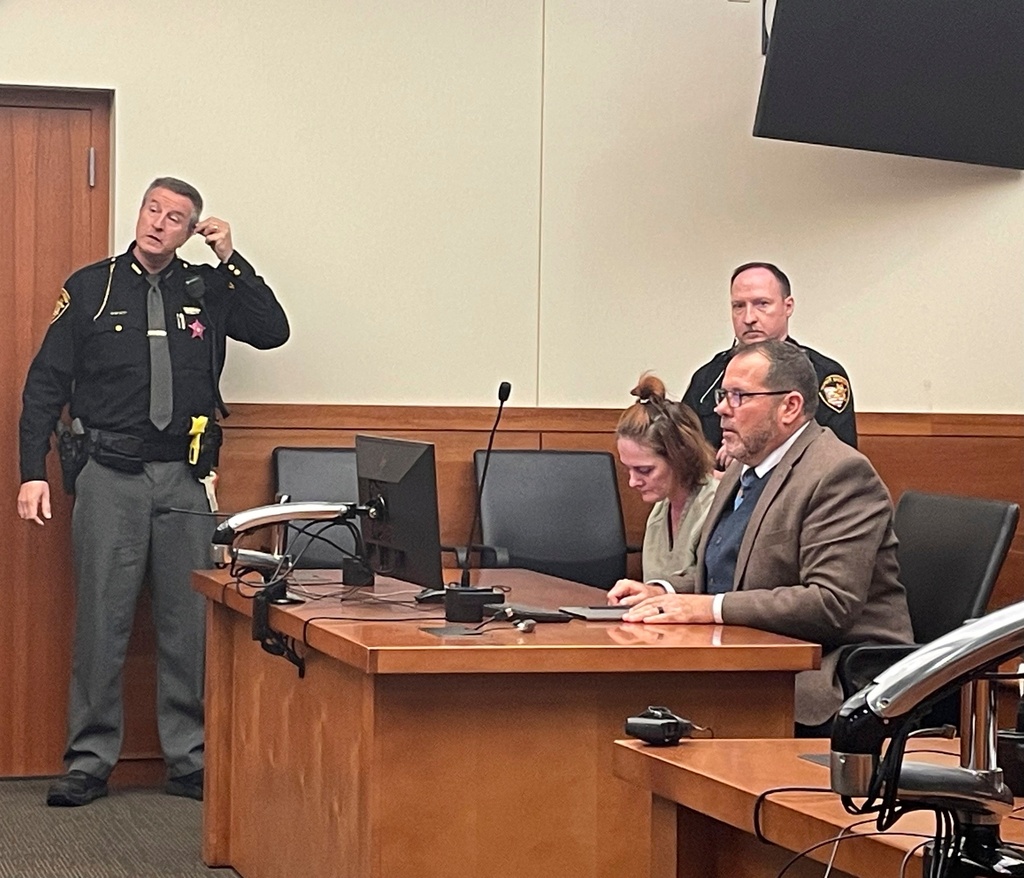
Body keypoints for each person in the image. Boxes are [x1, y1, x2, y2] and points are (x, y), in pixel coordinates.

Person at [17, 177, 290, 806]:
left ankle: (188, 760)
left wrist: (231, 259)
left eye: (176, 217)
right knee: (101, 619)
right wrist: (33, 469)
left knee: (187, 623)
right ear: (139, 213)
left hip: (184, 478)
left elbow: (272, 330)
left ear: (191, 229)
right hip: (110, 474)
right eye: (152, 209)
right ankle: (88, 761)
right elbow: (44, 385)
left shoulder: (206, 288)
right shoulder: (91, 287)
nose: (159, 223)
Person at [610, 340, 912, 731]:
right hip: (752, 658)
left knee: (655, 701)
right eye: (723, 394)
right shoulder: (743, 468)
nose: (720, 407)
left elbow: (831, 603)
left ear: (789, 407)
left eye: (738, 396)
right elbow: (734, 573)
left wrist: (707, 608)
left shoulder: (839, 474)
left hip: (829, 674)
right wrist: (665, 591)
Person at [682, 262, 856, 471]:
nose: (749, 318)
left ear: (788, 306)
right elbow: (683, 452)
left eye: (762, 304)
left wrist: (748, 455)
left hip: (792, 496)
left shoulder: (823, 375)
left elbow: (839, 460)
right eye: (739, 306)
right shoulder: (708, 378)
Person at [614, 373, 718, 589]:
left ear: (680, 458)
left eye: (644, 470)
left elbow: (710, 586)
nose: (633, 482)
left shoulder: (717, 508)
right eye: (628, 470)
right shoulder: (661, 510)